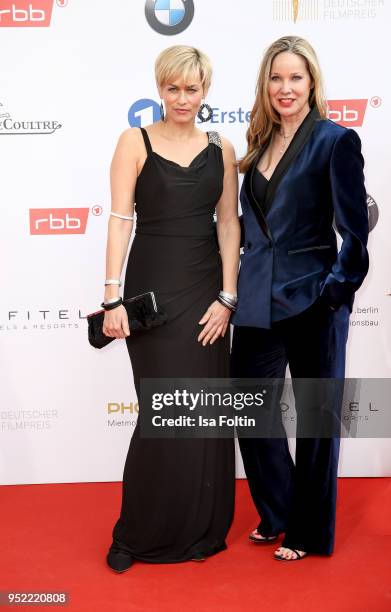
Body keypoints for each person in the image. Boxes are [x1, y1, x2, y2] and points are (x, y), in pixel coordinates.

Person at [101, 45, 240, 572]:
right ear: (160, 88)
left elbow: (229, 223)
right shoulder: (132, 141)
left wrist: (228, 296)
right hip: (152, 293)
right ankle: (137, 533)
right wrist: (111, 296)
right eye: (174, 88)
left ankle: (199, 527)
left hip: (207, 289)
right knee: (160, 410)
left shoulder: (220, 146)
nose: (183, 98)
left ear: (206, 91)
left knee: (203, 411)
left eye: (193, 88)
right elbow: (120, 220)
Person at [231, 36, 369, 561]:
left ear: (312, 82)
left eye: (295, 77)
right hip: (256, 302)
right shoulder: (259, 143)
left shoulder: (335, 141)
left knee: (315, 423)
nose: (285, 88)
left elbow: (354, 233)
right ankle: (280, 513)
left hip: (313, 299)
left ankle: (309, 532)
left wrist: (334, 293)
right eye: (275, 78)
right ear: (265, 85)